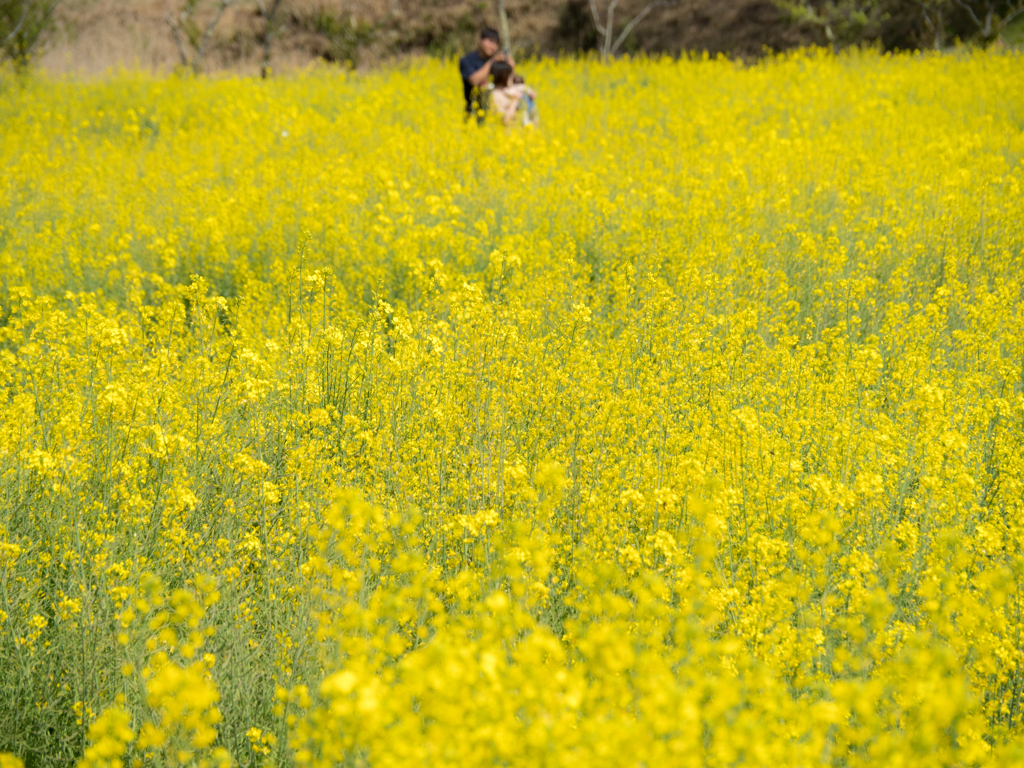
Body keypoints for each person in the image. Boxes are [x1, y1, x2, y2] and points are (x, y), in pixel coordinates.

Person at [459, 28, 513, 123]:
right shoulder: (467, 60)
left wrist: (509, 66)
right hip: (474, 114)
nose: (493, 46)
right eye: (490, 41)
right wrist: (492, 62)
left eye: (496, 43)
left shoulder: (498, 60)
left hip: (496, 115)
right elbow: (474, 80)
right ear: (480, 40)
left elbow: (509, 82)